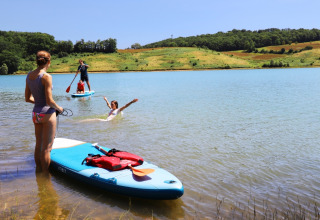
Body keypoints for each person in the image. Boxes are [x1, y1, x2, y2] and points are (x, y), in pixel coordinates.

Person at [25, 50, 63, 175]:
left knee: (38, 145)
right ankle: (45, 176)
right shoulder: (47, 77)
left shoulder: (29, 75)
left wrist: (38, 103)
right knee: (47, 148)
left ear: (37, 61)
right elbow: (49, 100)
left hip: (36, 114)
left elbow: (27, 98)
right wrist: (59, 108)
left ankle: (38, 171)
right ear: (49, 62)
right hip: (47, 114)